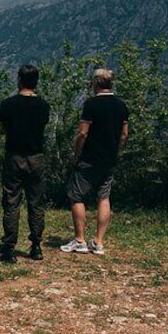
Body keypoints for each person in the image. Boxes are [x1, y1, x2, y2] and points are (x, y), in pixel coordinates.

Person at [60, 69, 129, 256]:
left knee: (76, 196)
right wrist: (117, 151)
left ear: (96, 84)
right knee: (104, 197)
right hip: (109, 159)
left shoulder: (91, 104)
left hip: (90, 158)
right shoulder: (121, 105)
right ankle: (98, 242)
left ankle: (80, 239)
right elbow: (124, 134)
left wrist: (76, 153)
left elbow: (83, 133)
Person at [0, 65, 50, 263]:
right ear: (37, 81)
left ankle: (9, 247)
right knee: (36, 203)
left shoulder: (8, 104)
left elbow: (2, 129)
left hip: (15, 156)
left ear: (19, 80)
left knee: (11, 201)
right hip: (36, 157)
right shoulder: (44, 105)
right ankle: (36, 246)